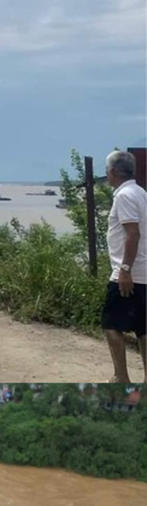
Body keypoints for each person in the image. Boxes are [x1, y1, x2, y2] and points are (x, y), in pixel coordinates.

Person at [101, 150, 147, 382]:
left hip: (129, 272)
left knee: (111, 325)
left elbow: (133, 234)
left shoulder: (124, 196)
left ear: (112, 172)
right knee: (142, 328)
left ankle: (121, 377)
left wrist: (125, 270)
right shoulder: (140, 192)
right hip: (143, 273)